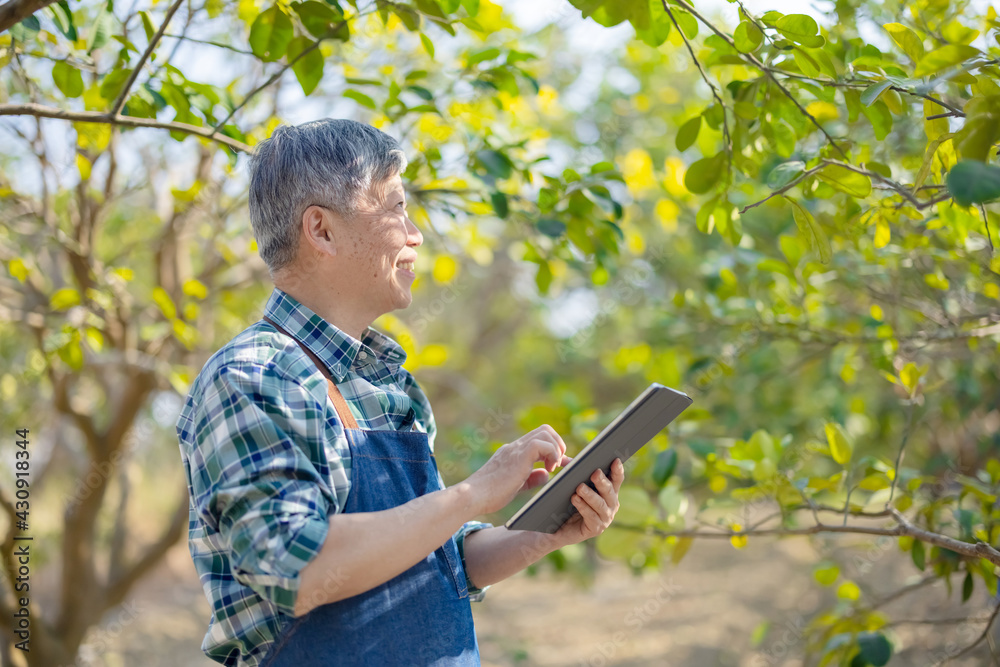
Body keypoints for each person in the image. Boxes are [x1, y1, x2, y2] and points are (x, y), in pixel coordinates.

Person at [175, 118, 625, 667]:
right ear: (320, 230)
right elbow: (295, 568)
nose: (414, 235)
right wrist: (473, 492)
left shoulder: (390, 385)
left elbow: (438, 560)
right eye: (394, 208)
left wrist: (548, 532)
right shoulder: (254, 378)